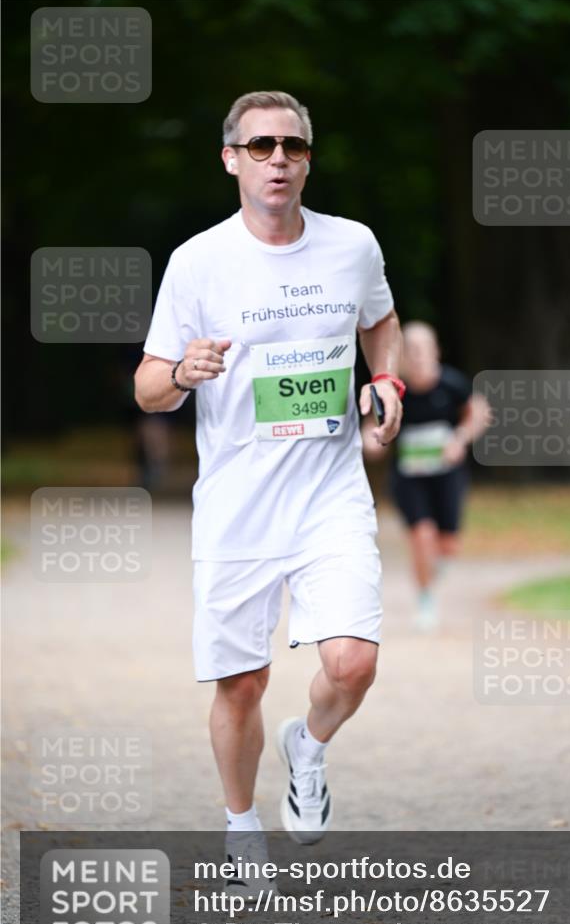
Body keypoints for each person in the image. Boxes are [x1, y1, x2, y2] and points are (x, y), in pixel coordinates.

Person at [134, 92, 403, 874]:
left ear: (308, 157)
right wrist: (184, 371)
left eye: (291, 145)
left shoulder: (351, 246)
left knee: (352, 661)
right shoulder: (197, 262)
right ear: (231, 159)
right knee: (241, 682)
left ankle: (308, 746)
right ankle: (240, 822)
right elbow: (149, 386)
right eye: (260, 147)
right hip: (238, 503)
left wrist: (385, 382)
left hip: (329, 491)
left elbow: (379, 321)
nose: (277, 158)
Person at [364, 321, 489, 631]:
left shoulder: (452, 384)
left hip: (447, 476)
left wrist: (460, 438)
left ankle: (431, 574)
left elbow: (478, 412)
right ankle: (425, 599)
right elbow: (371, 429)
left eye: (423, 349)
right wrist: (371, 441)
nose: (417, 356)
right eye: (411, 350)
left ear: (436, 352)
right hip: (409, 478)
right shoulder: (394, 393)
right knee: (421, 536)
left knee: (448, 546)